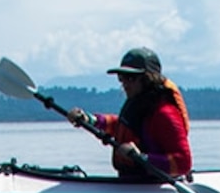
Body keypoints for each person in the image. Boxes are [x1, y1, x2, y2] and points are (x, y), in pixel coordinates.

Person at [75, 47, 193, 183]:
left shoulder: (165, 114)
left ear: (148, 79)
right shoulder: (139, 105)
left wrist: (142, 158)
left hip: (155, 189)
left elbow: (183, 163)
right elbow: (121, 126)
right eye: (122, 78)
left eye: (130, 78)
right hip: (132, 184)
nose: (124, 84)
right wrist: (91, 120)